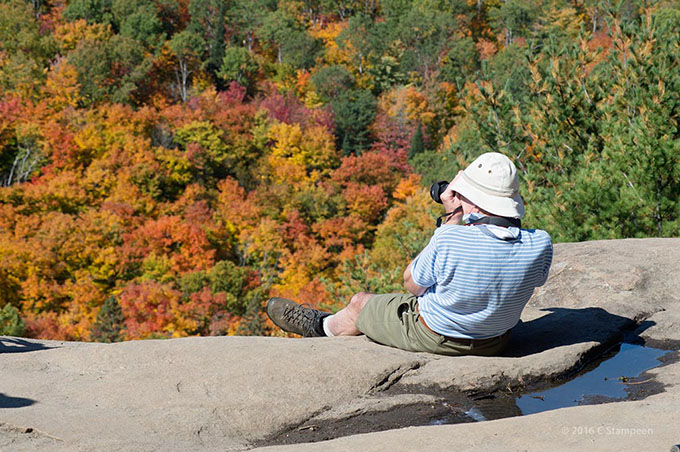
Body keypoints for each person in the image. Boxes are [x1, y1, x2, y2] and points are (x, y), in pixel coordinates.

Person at [266, 152, 553, 356]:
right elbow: (509, 268)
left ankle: (320, 326)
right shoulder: (540, 243)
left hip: (438, 335)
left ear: (475, 204)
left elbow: (412, 284)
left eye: (463, 195)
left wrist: (450, 220)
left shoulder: (451, 238)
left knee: (359, 302)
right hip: (496, 340)